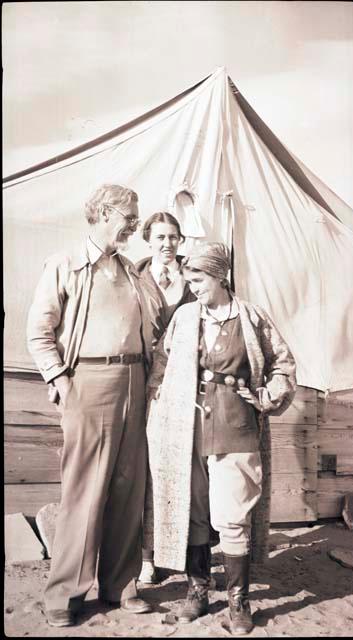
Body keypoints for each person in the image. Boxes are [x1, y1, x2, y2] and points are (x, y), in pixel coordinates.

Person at [143, 242, 296, 635]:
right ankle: (197, 590)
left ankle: (237, 600)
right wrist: (158, 401)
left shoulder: (252, 317)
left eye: (199, 280)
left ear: (220, 276)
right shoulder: (185, 317)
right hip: (187, 429)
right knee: (192, 512)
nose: (192, 287)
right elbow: (161, 364)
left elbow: (282, 363)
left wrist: (269, 395)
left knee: (232, 516)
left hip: (236, 426)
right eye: (189, 280)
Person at [27, 184, 154, 627]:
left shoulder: (132, 270)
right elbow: (39, 331)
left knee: (127, 487)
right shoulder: (66, 265)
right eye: (129, 216)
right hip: (89, 382)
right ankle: (65, 595)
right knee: (85, 490)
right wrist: (59, 378)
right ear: (103, 212)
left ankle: (121, 584)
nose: (135, 225)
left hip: (135, 381)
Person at [135, 211, 196, 584]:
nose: (167, 244)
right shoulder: (134, 277)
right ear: (148, 239)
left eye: (173, 237)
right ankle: (146, 556)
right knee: (148, 468)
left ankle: (182, 551)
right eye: (160, 237)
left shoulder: (193, 279)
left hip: (183, 380)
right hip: (144, 380)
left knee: (182, 466)